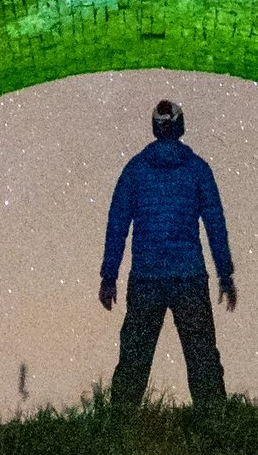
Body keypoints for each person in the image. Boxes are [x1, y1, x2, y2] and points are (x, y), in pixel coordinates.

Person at [99, 96, 236, 408]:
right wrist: (225, 274)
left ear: (154, 128)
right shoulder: (198, 170)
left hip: (146, 277)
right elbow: (215, 223)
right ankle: (216, 427)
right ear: (180, 127)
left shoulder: (134, 170)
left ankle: (120, 427)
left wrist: (109, 276)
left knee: (134, 359)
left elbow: (117, 224)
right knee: (202, 357)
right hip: (189, 275)